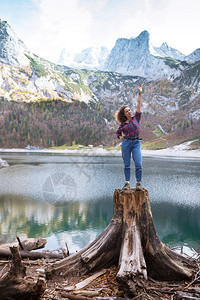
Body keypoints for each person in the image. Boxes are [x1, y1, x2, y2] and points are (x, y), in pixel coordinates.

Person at [116, 84, 143, 190]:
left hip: (136, 143)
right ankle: (127, 183)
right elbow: (118, 133)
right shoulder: (122, 124)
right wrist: (120, 137)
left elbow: (138, 105)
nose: (129, 112)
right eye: (127, 111)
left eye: (130, 110)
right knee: (127, 165)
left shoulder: (136, 118)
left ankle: (138, 183)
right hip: (126, 144)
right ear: (124, 114)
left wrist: (140, 93)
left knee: (138, 164)